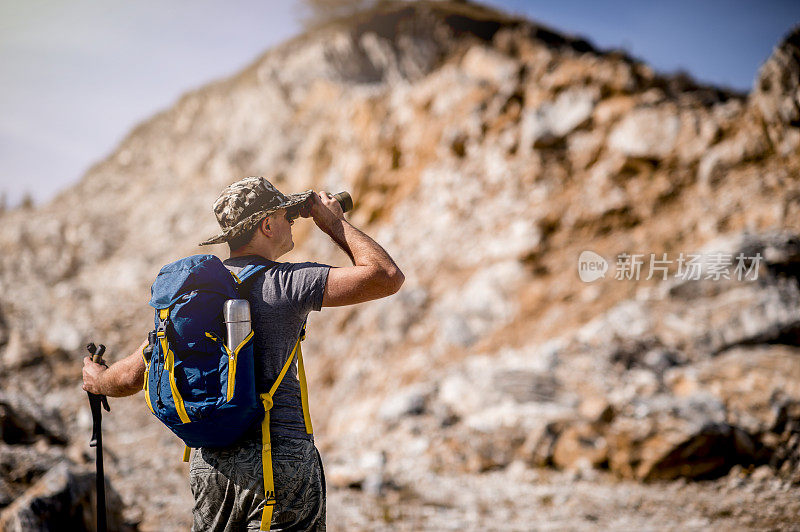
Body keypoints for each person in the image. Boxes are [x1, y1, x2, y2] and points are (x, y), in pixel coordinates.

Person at [82, 176, 404, 531]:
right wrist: (334, 224)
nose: (292, 221)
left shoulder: (190, 298)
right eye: (285, 215)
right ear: (267, 225)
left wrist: (96, 380)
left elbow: (132, 374)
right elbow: (385, 276)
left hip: (211, 471)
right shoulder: (287, 283)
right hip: (278, 465)